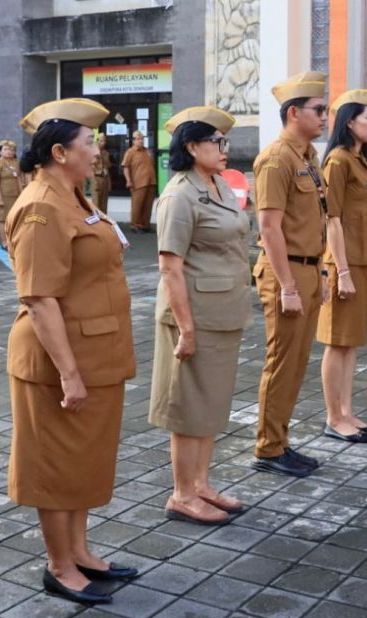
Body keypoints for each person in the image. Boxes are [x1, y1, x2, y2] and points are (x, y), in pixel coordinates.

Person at [6, 98, 137, 605]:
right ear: (59, 152)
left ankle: (81, 551)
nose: (98, 152)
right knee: (57, 465)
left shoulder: (77, 198)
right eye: (90, 144)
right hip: (58, 360)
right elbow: (39, 299)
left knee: (85, 460)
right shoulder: (41, 205)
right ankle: (59, 565)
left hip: (94, 350)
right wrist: (69, 374)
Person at [148, 106, 252, 524]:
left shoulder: (219, 185)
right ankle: (181, 494)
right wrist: (186, 330)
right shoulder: (179, 194)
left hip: (223, 312)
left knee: (211, 403)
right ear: (192, 146)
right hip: (192, 316)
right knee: (189, 408)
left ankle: (202, 484)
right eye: (217, 142)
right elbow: (170, 267)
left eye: (224, 142)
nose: (224, 149)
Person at [252, 71, 329, 477]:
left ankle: (280, 441)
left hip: (309, 268)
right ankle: (267, 448)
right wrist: (286, 286)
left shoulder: (309, 157)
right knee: (282, 362)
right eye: (318, 110)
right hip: (287, 273)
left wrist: (323, 271)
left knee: (297, 361)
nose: (324, 117)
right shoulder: (276, 158)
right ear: (294, 112)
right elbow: (269, 228)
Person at [317, 88, 367, 443]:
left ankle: (346, 411)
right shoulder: (339, 161)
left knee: (351, 343)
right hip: (343, 263)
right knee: (337, 341)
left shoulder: (363, 161)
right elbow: (333, 220)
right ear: (350, 121)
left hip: (362, 262)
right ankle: (332, 416)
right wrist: (341, 270)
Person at [122, 130, 156, 232]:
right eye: (138, 139)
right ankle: (135, 225)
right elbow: (126, 167)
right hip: (138, 183)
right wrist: (128, 180)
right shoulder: (130, 152)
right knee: (137, 204)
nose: (141, 141)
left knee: (148, 205)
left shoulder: (147, 151)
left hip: (151, 182)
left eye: (142, 139)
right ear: (133, 141)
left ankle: (145, 225)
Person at [0, 139, 24, 248]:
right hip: (3, 195)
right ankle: (4, 241)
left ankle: (13, 239)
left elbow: (19, 179)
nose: (9, 151)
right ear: (0, 151)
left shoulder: (16, 163)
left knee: (15, 217)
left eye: (11, 149)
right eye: (6, 149)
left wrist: (22, 194)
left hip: (16, 195)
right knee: (1, 219)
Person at [90, 132, 111, 212]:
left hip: (105, 179)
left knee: (104, 203)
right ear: (97, 141)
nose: (103, 143)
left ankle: (104, 222)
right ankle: (96, 223)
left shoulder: (106, 153)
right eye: (101, 141)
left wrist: (109, 183)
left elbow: (107, 168)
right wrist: (94, 182)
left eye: (104, 141)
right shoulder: (92, 152)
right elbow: (91, 167)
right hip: (96, 177)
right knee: (96, 203)